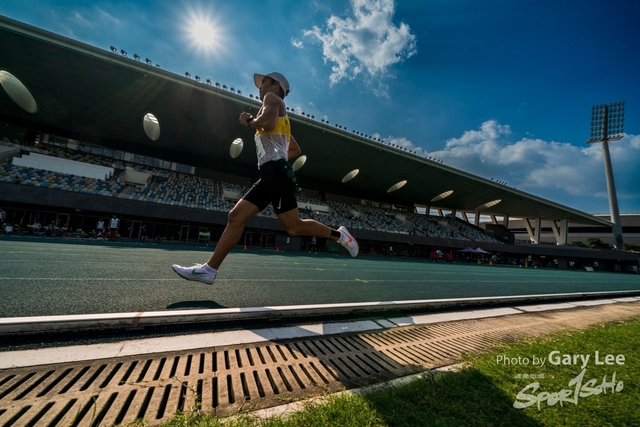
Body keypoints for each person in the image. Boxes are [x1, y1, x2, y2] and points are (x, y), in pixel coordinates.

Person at [172, 72, 358, 284]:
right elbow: (295, 148)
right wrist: (274, 157)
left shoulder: (272, 100)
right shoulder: (282, 117)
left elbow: (267, 123)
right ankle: (209, 270)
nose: (259, 87)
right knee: (247, 218)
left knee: (284, 224)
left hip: (275, 173)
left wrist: (250, 120)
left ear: (276, 84)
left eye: (263, 83)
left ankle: (341, 235)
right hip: (273, 172)